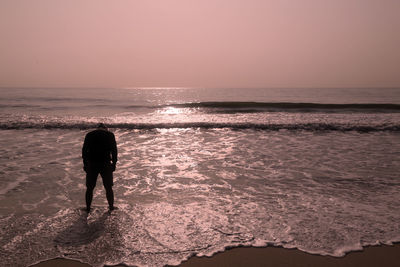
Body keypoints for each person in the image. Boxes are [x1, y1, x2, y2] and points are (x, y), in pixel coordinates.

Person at [82, 123, 118, 212]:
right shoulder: (110, 135)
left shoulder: (90, 134)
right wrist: (114, 163)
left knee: (90, 187)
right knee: (108, 187)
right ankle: (111, 207)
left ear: (97, 128)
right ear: (106, 128)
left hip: (92, 163)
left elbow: (84, 150)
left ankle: (88, 208)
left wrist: (85, 164)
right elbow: (114, 150)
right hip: (105, 163)